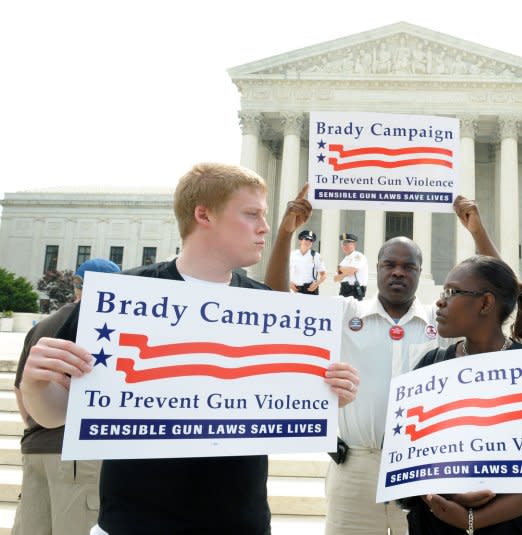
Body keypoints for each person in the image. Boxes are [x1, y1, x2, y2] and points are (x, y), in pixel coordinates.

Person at [19, 163, 360, 535]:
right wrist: (37, 384)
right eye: (252, 214)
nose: (264, 226)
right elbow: (54, 415)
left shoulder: (268, 306)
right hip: (134, 525)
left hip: (241, 525)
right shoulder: (120, 298)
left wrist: (329, 392)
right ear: (204, 215)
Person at [324, 197, 500, 535]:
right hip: (358, 466)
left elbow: (495, 294)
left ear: (421, 272)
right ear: (375, 268)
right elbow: (281, 312)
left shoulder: (441, 322)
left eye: (409, 267)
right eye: (389, 264)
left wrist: (477, 232)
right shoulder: (346, 315)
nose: (398, 272)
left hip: (424, 468)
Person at [404, 255, 522, 534]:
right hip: (438, 525)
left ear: (486, 303)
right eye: (443, 293)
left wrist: (471, 521)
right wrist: (438, 496)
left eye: (452, 292)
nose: (440, 301)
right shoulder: (431, 365)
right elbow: (403, 457)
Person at [12, 258, 120, 535]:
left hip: (35, 448)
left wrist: (36, 423)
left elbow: (22, 388)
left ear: (77, 285)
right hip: (76, 456)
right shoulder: (105, 327)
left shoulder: (43, 326)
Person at [290, 229, 327, 295]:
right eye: (306, 239)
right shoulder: (292, 255)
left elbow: (324, 274)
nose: (308, 242)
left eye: (311, 240)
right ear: (300, 240)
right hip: (294, 289)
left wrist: (317, 284)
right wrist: (288, 283)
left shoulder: (316, 256)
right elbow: (284, 272)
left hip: (310, 290)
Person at [334, 233, 368, 300]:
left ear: (354, 244)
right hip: (344, 290)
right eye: (343, 244)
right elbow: (336, 278)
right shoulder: (344, 260)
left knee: (354, 310)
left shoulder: (358, 256)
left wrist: (340, 269)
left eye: (348, 244)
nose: (345, 246)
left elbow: (352, 271)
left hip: (355, 290)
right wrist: (345, 272)